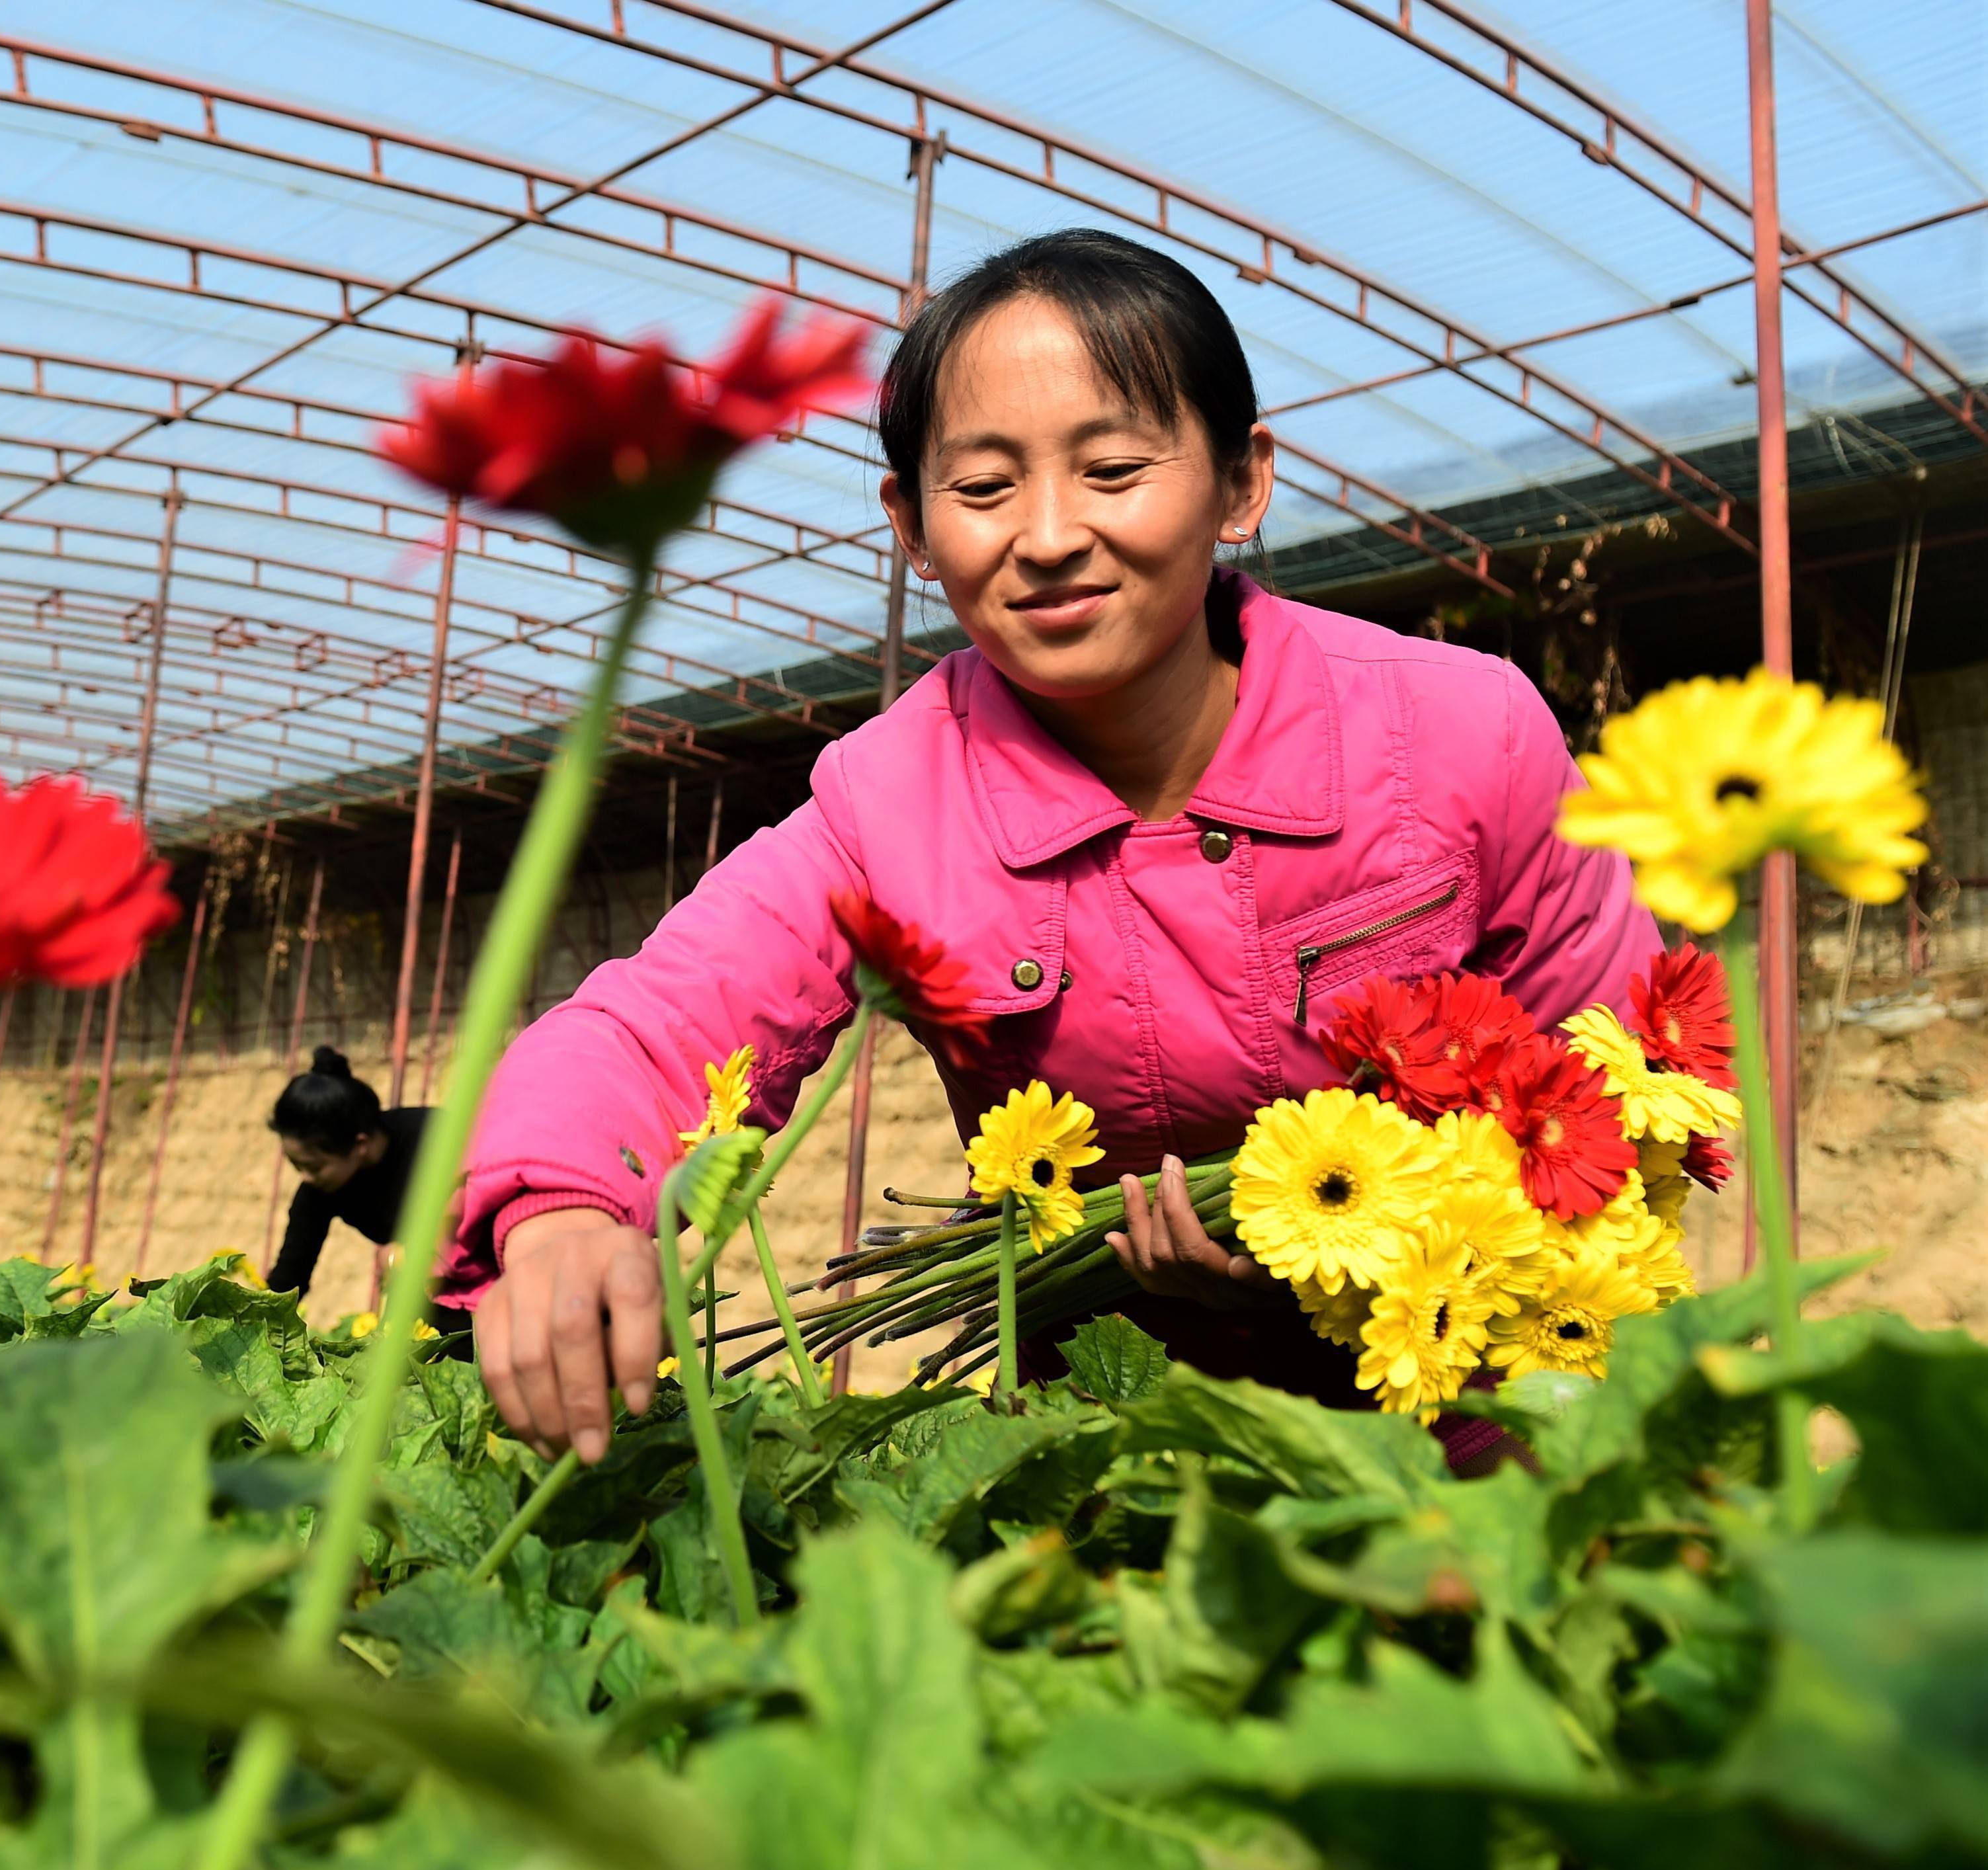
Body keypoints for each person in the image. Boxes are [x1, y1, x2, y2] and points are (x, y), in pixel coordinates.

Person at [448, 229, 1659, 1470]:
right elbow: (655, 1024)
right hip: (1106, 1469)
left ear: (1240, 482)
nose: (1045, 535)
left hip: (1475, 1442)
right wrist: (562, 1211)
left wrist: (1349, 1266)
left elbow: (1611, 1109)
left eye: (1112, 469)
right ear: (910, 526)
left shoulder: (1459, 735)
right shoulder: (890, 805)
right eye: (979, 489)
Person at [268, 1049, 469, 1346]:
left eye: (313, 1166)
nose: (305, 1178)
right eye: (296, 1166)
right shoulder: (320, 1188)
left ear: (360, 1145)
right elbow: (289, 1277)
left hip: (483, 1283)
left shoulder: (439, 1138)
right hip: (425, 1300)